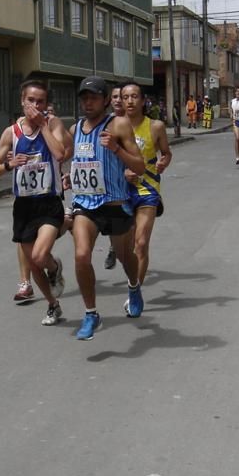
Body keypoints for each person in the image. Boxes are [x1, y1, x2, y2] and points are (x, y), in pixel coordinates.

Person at [68, 76, 146, 340]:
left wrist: (116, 149)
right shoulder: (75, 128)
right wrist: (67, 176)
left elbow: (139, 166)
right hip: (85, 205)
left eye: (93, 97)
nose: (87, 102)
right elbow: (67, 157)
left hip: (114, 204)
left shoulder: (119, 124)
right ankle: (91, 313)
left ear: (104, 100)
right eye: (84, 97)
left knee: (126, 257)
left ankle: (134, 287)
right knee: (81, 255)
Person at [0, 79, 70, 326]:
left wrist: (43, 125)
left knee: (39, 254)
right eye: (31, 100)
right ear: (22, 102)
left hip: (49, 202)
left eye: (41, 101)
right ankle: (53, 305)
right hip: (24, 206)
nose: (36, 105)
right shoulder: (10, 132)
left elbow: (59, 153)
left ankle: (55, 268)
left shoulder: (52, 123)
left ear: (46, 104)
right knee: (34, 266)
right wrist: (8, 165)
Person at [121, 82, 172, 294]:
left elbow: (166, 153)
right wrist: (123, 172)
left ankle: (135, 292)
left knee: (141, 244)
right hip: (121, 191)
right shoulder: (113, 126)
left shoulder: (155, 127)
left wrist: (163, 162)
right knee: (125, 248)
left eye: (134, 96)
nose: (130, 101)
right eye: (125, 97)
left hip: (147, 190)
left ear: (143, 101)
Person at [103, 82, 126, 271]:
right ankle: (114, 247)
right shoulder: (104, 122)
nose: (118, 100)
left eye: (122, 96)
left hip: (134, 178)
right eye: (115, 97)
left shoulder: (133, 121)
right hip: (112, 180)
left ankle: (130, 258)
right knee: (114, 218)